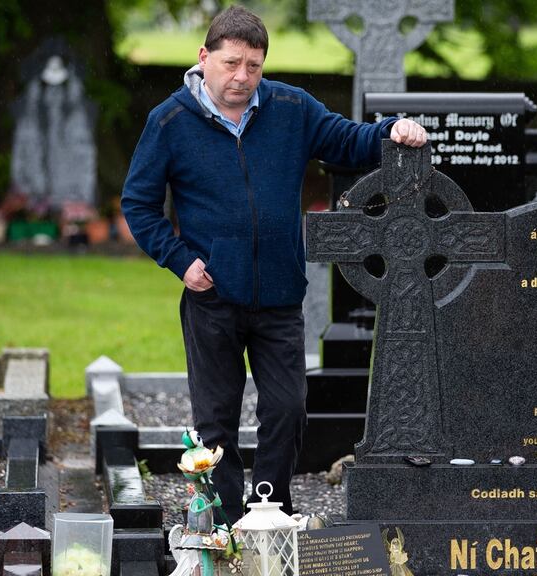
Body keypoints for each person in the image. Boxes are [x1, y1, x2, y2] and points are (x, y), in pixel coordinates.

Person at [121, 5, 427, 523]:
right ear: (204, 58)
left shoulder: (291, 107)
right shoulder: (170, 121)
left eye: (254, 66)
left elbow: (346, 141)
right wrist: (181, 261)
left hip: (281, 295)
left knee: (286, 409)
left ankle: (270, 512)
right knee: (215, 422)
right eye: (232, 63)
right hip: (211, 296)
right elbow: (138, 203)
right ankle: (223, 524)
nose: (242, 77)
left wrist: (394, 130)